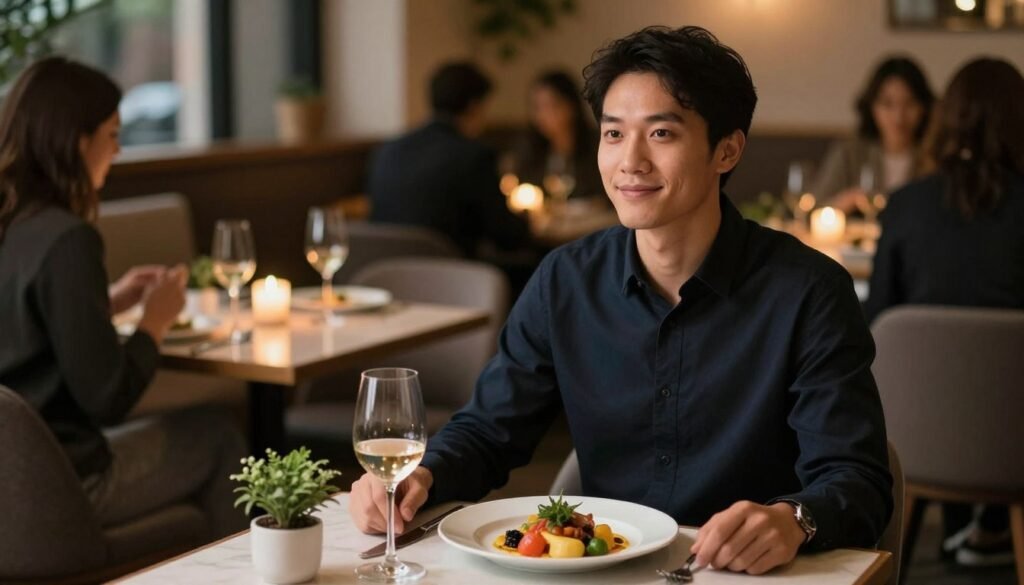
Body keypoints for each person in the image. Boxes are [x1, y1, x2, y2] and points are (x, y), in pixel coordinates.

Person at [350, 26, 892, 576]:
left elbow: (857, 479)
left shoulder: (808, 291)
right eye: (613, 134)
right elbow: (490, 430)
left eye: (660, 134)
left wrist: (794, 517)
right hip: (604, 569)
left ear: (726, 150)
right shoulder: (565, 280)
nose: (630, 162)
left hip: (744, 572)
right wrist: (424, 476)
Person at [0, 57, 246, 540]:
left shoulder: (12, 224)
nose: (117, 150)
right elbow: (107, 397)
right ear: (77, 142)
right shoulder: (67, 239)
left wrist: (106, 302)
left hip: (8, 486)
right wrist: (154, 321)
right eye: (112, 135)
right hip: (63, 483)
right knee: (218, 436)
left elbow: (19, 331)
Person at [865, 57, 1024, 567]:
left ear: (946, 118)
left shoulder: (908, 205)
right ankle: (988, 528)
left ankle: (970, 529)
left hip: (919, 438)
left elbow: (875, 328)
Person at [368, 62, 530, 258]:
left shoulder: (387, 150)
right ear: (474, 106)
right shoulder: (474, 156)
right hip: (451, 280)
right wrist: (528, 219)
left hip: (384, 270)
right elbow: (506, 235)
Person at [813, 57, 935, 214]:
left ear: (924, 108)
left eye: (909, 103)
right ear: (872, 107)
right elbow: (814, 209)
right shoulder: (850, 153)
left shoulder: (933, 155)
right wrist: (848, 200)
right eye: (887, 104)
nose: (899, 117)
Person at [510, 70, 603, 201]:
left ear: (571, 106)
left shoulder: (596, 145)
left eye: (551, 106)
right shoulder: (531, 147)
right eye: (537, 107)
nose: (542, 116)